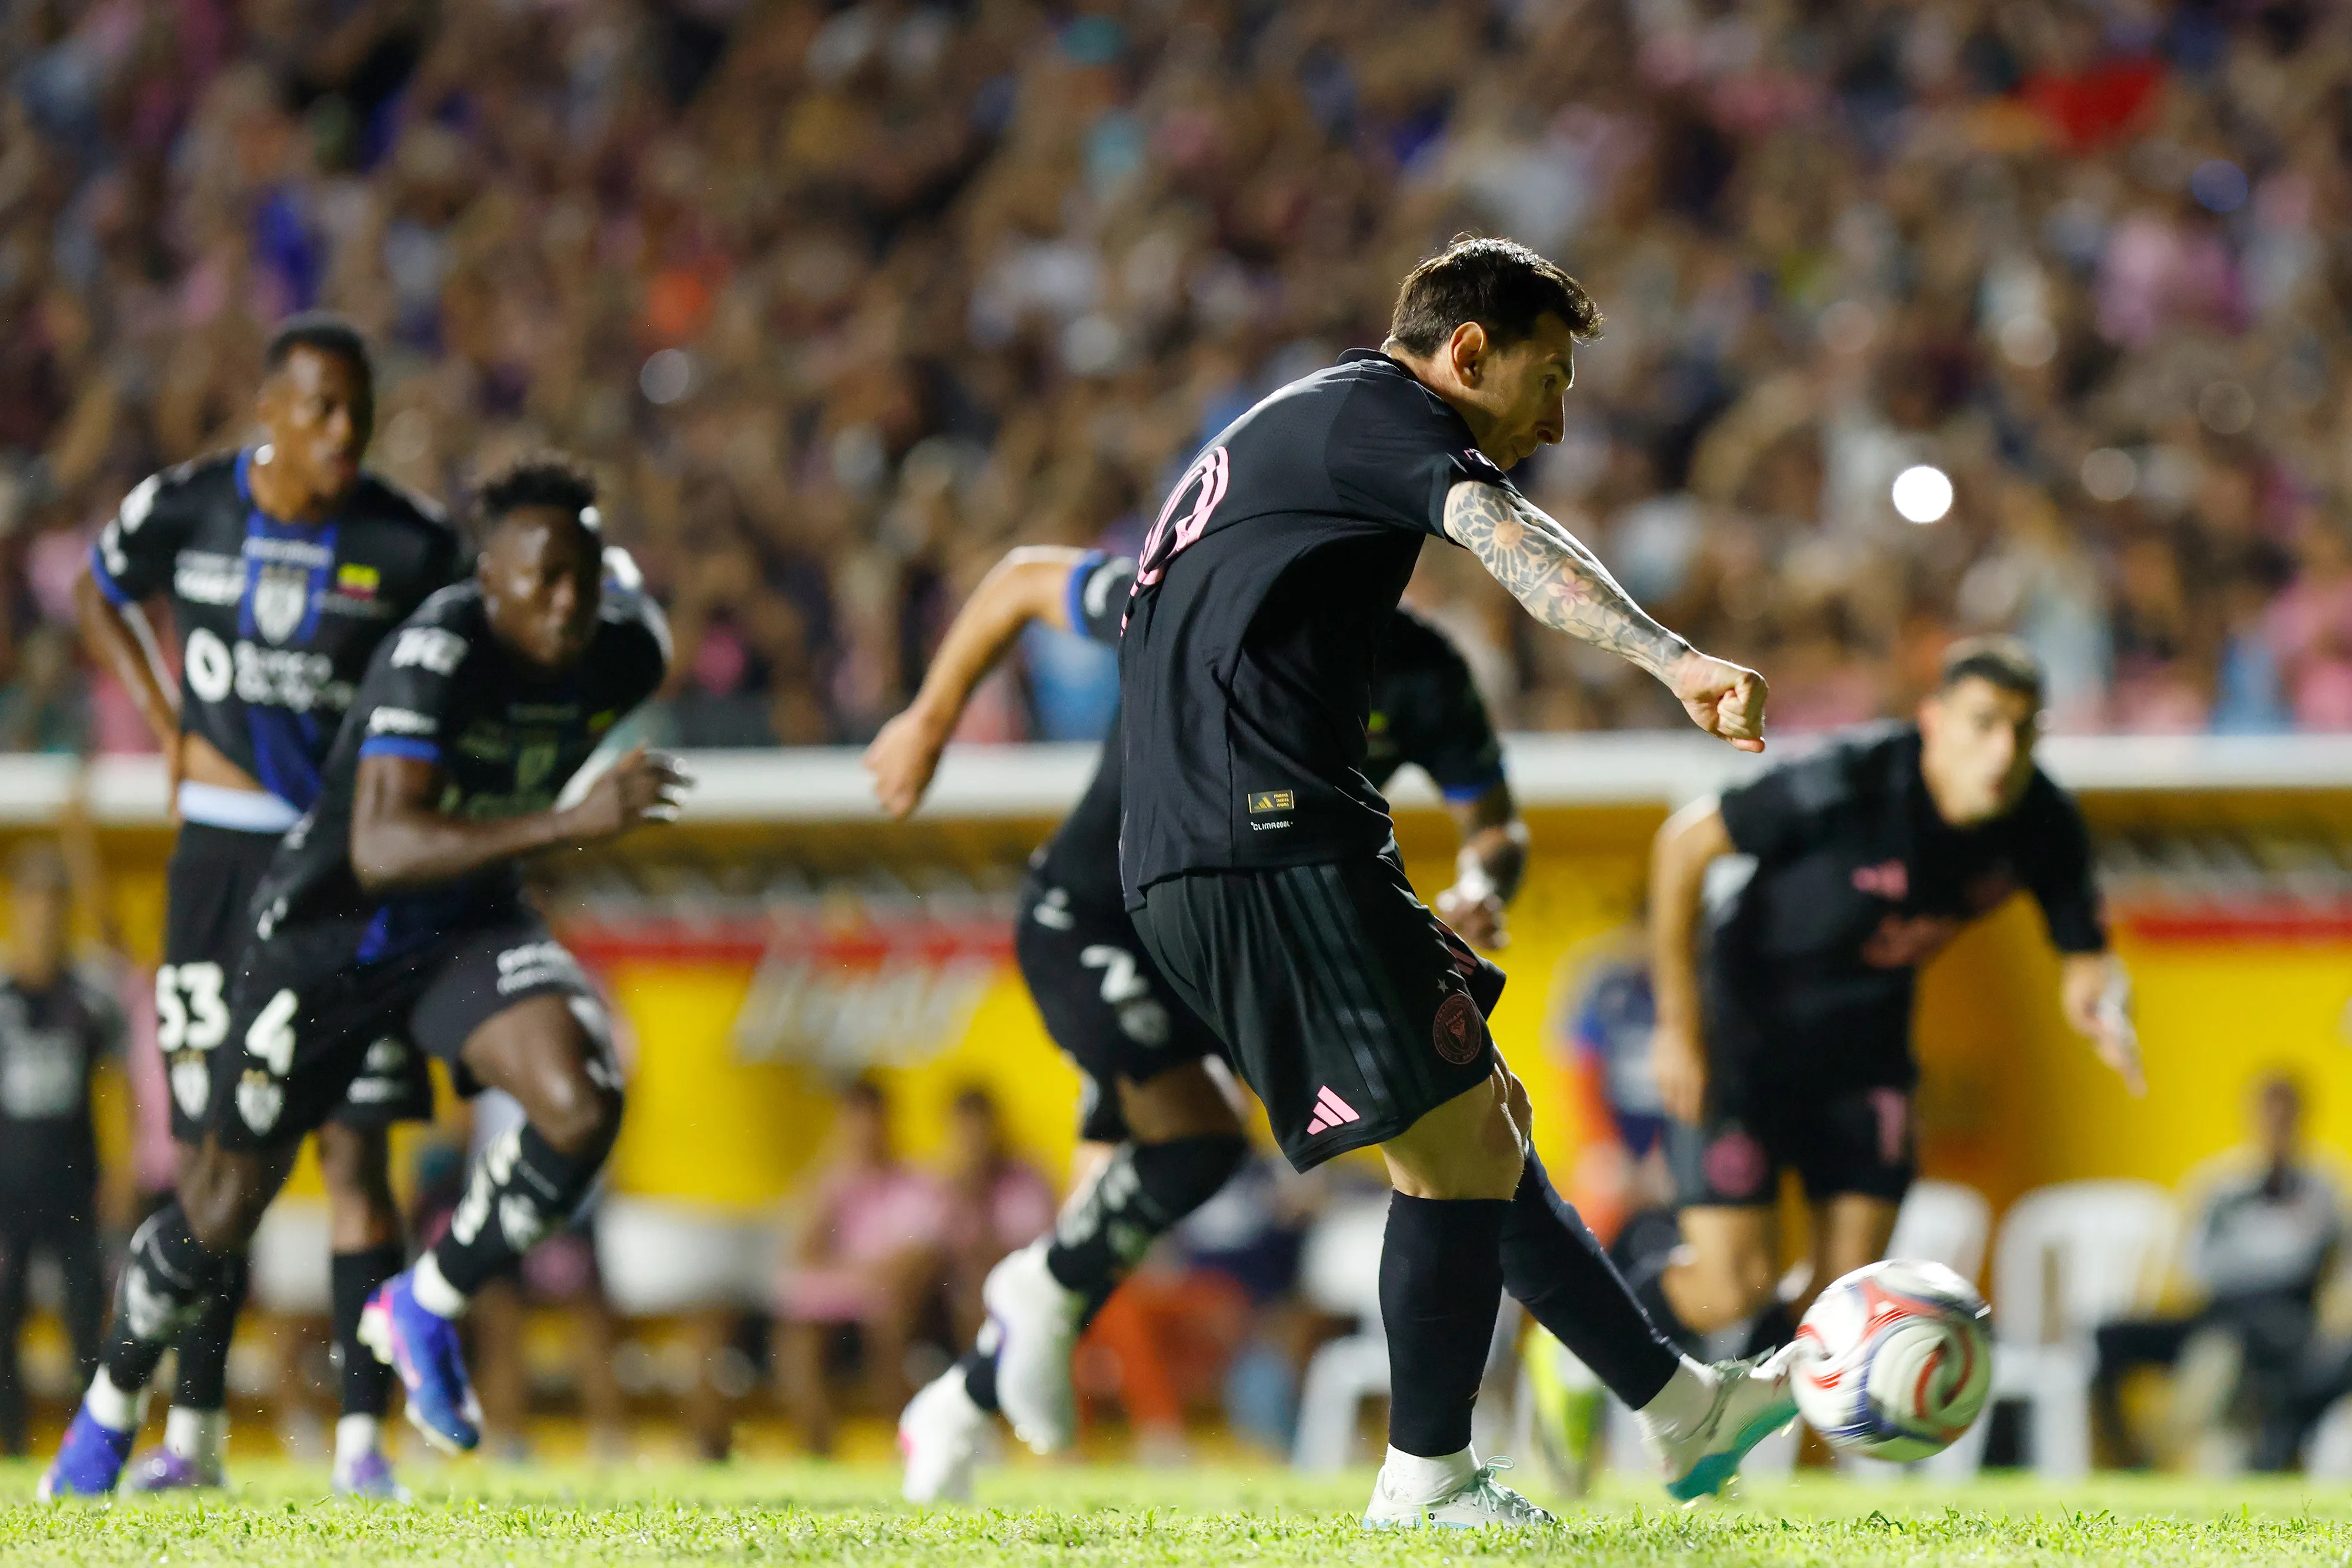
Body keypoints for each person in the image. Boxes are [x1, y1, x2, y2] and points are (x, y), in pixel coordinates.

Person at [1118, 234, 1785, 1529]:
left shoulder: (1296, 428)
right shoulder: (1382, 415)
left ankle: (1678, 1407)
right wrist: (1673, 659)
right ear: (1466, 351)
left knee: (1480, 1116)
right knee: (1458, 1150)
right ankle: (1424, 1483)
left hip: (1208, 851)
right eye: (1548, 372)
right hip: (1267, 841)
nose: (1559, 407)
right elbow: (1508, 537)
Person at [40, 456, 685, 1500]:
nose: (569, 602)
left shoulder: (626, 652)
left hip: (461, 926)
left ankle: (426, 1304)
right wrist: (570, 822)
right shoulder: (438, 647)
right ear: (490, 581)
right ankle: (110, 1409)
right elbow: (381, 847)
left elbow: (614, 639)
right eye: (544, 580)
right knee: (219, 1205)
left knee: (581, 1097)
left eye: (582, 575)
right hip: (337, 929)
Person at [868, 536, 1532, 1503]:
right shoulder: (1202, 594)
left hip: (1229, 936)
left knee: (1108, 1224)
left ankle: (959, 1404)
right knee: (1193, 1150)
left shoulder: (1424, 671)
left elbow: (1495, 823)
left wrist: (1481, 883)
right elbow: (1018, 578)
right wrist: (930, 721)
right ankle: (1008, 1339)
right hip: (1097, 916)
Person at [73, 313, 465, 1496]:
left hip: (347, 873)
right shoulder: (186, 507)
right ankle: (191, 1438)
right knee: (209, 1160)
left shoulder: (406, 543)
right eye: (322, 409)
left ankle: (361, 1446)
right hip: (219, 863)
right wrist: (159, 714)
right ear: (271, 411)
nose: (344, 432)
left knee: (356, 1150)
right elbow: (99, 589)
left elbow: (464, 666)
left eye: (359, 411)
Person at [1638, 636, 2143, 1358]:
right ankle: (1573, 1352)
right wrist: (1676, 1027)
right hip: (1742, 1043)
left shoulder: (2042, 822)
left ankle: (1730, 1427)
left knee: (1844, 1306)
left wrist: (2106, 1008)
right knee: (1732, 1285)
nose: (2003, 751)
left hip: (1865, 1059)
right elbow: (1681, 847)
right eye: (1983, 723)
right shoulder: (1852, 781)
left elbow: (2088, 960)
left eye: (2023, 730)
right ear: (1934, 720)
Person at [2094, 1073, 2346, 1472]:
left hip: (2282, 1319)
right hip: (2216, 1310)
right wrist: (2269, 1253)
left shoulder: (2322, 1186)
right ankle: (2129, 1458)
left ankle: (2184, 1436)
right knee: (2108, 1335)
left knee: (2232, 1343)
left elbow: (2319, 1264)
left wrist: (2258, 1258)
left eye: (2285, 1116)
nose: (2276, 1126)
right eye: (2268, 1115)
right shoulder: (2221, 1185)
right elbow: (2195, 1264)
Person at [0, 841, 127, 1456]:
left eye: (56, 899)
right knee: (5, 1324)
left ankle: (88, 1453)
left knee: (85, 1325)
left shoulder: (92, 997)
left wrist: (123, 1177)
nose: (45, 914)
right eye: (34, 898)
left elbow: (120, 1091)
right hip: (8, 1192)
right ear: (15, 906)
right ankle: (13, 1450)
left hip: (76, 1187)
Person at [771, 1078, 951, 1457]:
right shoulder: (833, 1182)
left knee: (889, 1327)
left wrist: (849, 1270)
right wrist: (830, 1180)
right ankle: (820, 1454)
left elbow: (912, 1264)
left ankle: (906, 1451)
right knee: (797, 1346)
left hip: (898, 1312)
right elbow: (802, 1251)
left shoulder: (917, 1182)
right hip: (839, 1310)